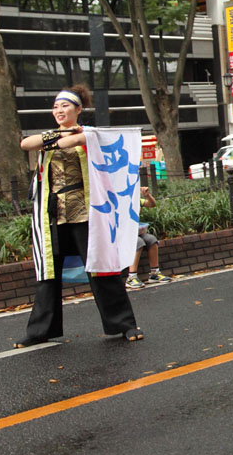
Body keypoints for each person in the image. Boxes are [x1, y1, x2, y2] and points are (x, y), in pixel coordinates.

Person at [15, 85, 142, 347]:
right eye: (55, 107)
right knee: (48, 274)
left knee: (101, 270)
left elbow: (73, 142)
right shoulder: (50, 135)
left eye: (65, 106)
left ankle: (124, 325)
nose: (59, 110)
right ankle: (41, 330)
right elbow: (26, 143)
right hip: (52, 214)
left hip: (87, 213)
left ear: (78, 109)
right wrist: (57, 137)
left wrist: (70, 137)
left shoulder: (91, 134)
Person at [124, 186, 172, 289]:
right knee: (138, 242)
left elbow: (152, 204)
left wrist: (147, 195)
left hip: (134, 231)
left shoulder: (134, 199)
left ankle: (154, 273)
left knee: (151, 239)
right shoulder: (118, 199)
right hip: (120, 235)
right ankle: (131, 277)